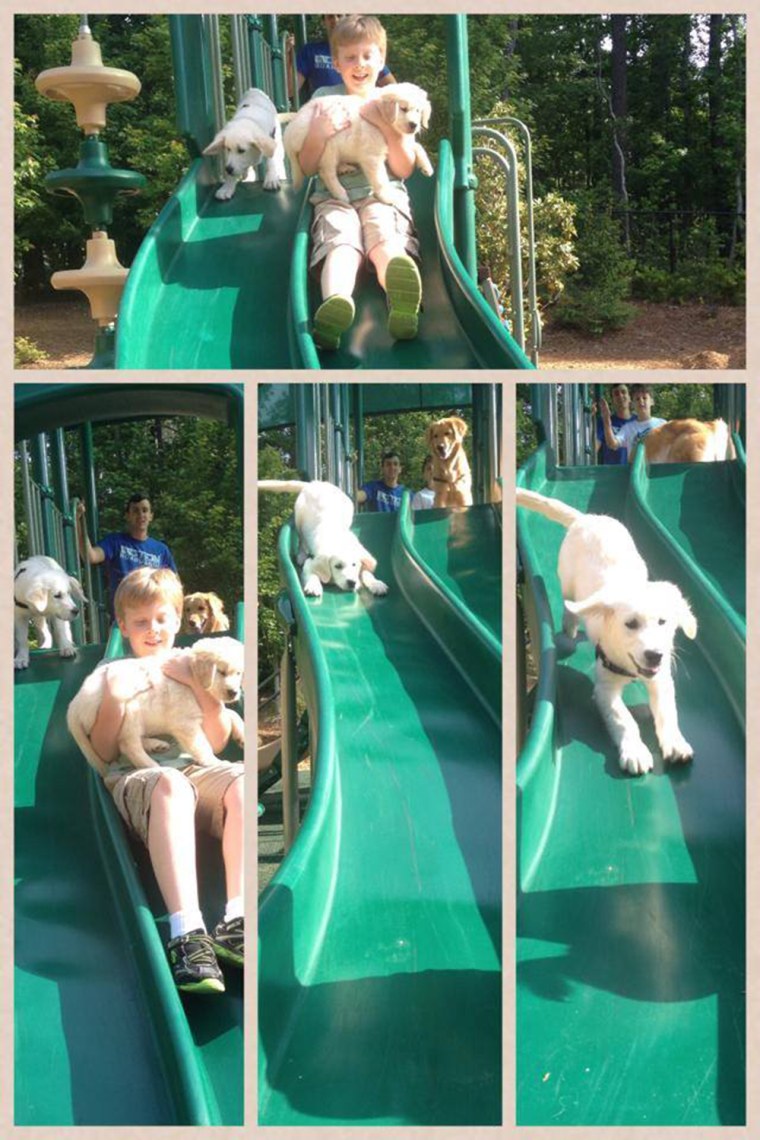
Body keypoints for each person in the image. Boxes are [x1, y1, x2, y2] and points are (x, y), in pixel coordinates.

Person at [85, 566, 244, 994]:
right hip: (140, 776)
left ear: (178, 619)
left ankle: (237, 918)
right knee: (170, 784)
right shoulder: (113, 669)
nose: (153, 630)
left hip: (197, 770)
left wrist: (195, 683)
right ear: (122, 625)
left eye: (161, 619)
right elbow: (101, 751)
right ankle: (187, 933)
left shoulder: (193, 664)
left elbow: (215, 740)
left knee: (242, 781)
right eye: (140, 622)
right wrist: (116, 701)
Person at [294, 14, 424, 350]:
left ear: (381, 60)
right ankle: (336, 304)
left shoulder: (394, 100)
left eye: (367, 56)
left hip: (382, 196)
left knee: (384, 238)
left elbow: (404, 167)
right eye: (350, 57)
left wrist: (383, 127)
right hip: (333, 196)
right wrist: (318, 135)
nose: (359, 64)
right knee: (340, 242)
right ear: (335, 63)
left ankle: (400, 298)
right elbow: (308, 166)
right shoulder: (324, 98)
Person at [77, 493, 177, 618]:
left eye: (145, 510)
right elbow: (90, 556)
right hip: (124, 618)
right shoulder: (115, 542)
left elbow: (174, 584)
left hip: (155, 617)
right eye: (135, 511)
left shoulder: (161, 550)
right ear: (127, 516)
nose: (141, 515)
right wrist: (79, 521)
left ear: (151, 516)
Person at [290, 14, 396, 102]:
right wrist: (288, 55)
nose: (360, 64)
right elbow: (290, 90)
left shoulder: (369, 51)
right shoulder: (311, 51)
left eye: (340, 15)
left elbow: (392, 85)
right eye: (330, 16)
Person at [600, 383, 666, 461]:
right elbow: (612, 444)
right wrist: (606, 421)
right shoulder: (628, 428)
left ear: (652, 401)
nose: (641, 401)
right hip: (636, 471)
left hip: (659, 470)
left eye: (644, 398)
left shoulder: (662, 424)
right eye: (637, 399)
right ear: (632, 403)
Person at [595, 383, 635, 464]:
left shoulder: (639, 421)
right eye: (616, 394)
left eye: (623, 392)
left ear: (630, 397)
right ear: (612, 400)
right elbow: (593, 449)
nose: (620, 396)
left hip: (635, 473)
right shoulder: (604, 421)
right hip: (611, 474)